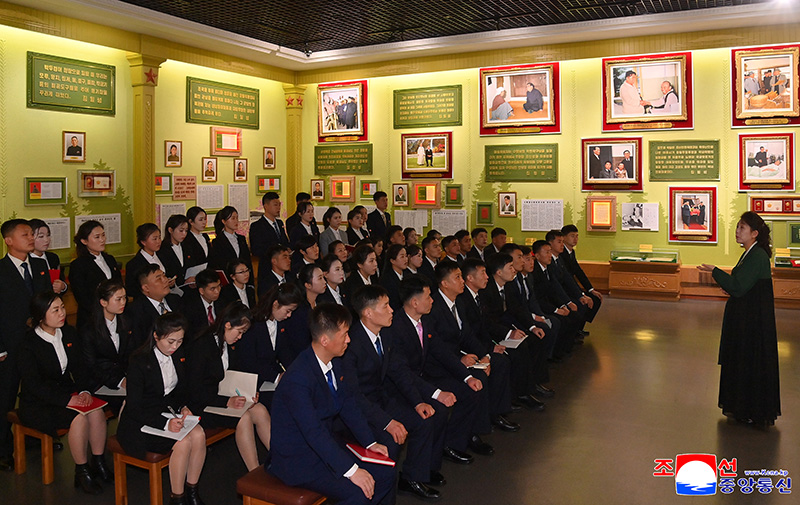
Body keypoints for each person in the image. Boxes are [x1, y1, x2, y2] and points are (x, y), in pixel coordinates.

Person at [269, 304, 395, 505]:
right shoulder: (297, 379)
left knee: (386, 473)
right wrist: (352, 471)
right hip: (298, 459)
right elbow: (313, 432)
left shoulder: (335, 361)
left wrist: (370, 443)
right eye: (344, 335)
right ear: (325, 340)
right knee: (359, 492)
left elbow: (348, 405)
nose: (349, 340)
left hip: (323, 446)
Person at [343, 285, 445, 501]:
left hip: (382, 400)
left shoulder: (386, 333)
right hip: (360, 410)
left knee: (423, 420)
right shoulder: (351, 343)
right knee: (390, 441)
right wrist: (387, 422)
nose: (392, 310)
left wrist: (417, 402)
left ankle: (411, 478)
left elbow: (398, 371)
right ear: (368, 313)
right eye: (385, 306)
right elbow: (353, 396)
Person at [18, 292, 112, 494]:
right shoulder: (28, 343)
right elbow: (34, 384)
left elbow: (80, 368)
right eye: (56, 310)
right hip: (38, 402)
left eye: (62, 307)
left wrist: (84, 390)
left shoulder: (68, 333)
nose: (62, 313)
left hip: (66, 393)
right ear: (41, 316)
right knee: (78, 418)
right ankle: (82, 470)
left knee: (96, 411)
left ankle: (98, 461)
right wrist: (67, 400)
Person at [116, 313, 208, 505]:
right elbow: (134, 407)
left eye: (180, 341)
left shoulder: (178, 355)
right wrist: (165, 424)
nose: (175, 347)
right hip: (139, 421)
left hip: (165, 412)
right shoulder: (139, 361)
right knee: (182, 442)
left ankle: (192, 490)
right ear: (156, 336)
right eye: (171, 341)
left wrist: (184, 407)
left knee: (199, 434)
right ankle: (177, 498)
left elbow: (181, 390)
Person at [698, 212, 780, 427]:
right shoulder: (749, 254)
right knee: (741, 361)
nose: (737, 231)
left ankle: (751, 409)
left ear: (754, 233)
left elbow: (739, 286)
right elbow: (743, 284)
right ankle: (741, 407)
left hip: (751, 322)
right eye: (737, 226)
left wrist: (716, 272)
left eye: (742, 227)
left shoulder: (758, 255)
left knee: (749, 363)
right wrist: (730, 286)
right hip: (745, 318)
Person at [187, 302, 273, 470]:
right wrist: (226, 402)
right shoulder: (202, 345)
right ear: (227, 325)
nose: (240, 337)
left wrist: (249, 392)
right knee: (243, 417)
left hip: (223, 397)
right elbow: (195, 390)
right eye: (239, 332)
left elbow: (236, 374)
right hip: (204, 403)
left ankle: (280, 459)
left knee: (260, 410)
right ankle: (254, 471)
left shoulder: (229, 344)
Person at [0, 219, 54, 471]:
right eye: (25, 235)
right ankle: (3, 448)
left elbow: (46, 302)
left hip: (38, 342)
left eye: (32, 234)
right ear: (9, 240)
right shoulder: (2, 270)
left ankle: (35, 437)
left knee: (37, 392)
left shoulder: (40, 265)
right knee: (6, 396)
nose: (31, 238)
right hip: (10, 344)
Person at [237, 283, 304, 406]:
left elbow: (284, 351)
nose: (289, 315)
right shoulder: (253, 324)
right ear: (275, 304)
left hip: (271, 377)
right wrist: (276, 377)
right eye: (288, 311)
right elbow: (249, 362)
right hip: (255, 382)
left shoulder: (280, 322)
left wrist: (294, 370)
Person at [80, 280, 132, 415]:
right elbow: (91, 366)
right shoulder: (89, 330)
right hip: (101, 382)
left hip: (125, 377)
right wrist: (119, 381)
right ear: (103, 302)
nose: (123, 302)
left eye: (124, 298)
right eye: (118, 299)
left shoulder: (126, 321)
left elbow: (133, 353)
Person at [69, 220, 122, 330]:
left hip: (114, 315)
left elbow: (119, 284)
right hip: (92, 318)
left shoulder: (110, 259)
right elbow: (82, 297)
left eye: (103, 235)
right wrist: (103, 311)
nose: (102, 240)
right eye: (97, 237)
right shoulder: (78, 265)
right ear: (84, 241)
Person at [125, 264, 184, 348]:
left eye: (164, 276)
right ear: (146, 288)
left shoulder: (175, 300)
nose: (165, 280)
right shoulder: (136, 311)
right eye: (159, 279)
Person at [126, 223, 170, 298]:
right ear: (143, 242)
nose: (158, 241)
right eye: (154, 239)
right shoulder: (134, 264)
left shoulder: (163, 255)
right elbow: (131, 290)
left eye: (159, 237)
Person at [181, 268, 224, 340]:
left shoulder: (223, 301)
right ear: (201, 291)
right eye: (212, 289)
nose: (217, 291)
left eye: (219, 286)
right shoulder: (190, 308)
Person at [28, 218, 67, 293]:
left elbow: (61, 280)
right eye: (41, 236)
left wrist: (63, 286)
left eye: (48, 235)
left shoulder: (53, 257)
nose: (46, 240)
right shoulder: (25, 260)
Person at [208, 206, 252, 273]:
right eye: (233, 218)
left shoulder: (241, 239)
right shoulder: (218, 241)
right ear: (224, 221)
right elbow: (219, 264)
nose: (236, 221)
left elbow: (248, 261)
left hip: (243, 274)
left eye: (237, 218)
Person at [158, 214, 191, 287]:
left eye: (186, 231)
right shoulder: (162, 249)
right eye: (181, 230)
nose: (184, 234)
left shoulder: (186, 246)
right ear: (170, 230)